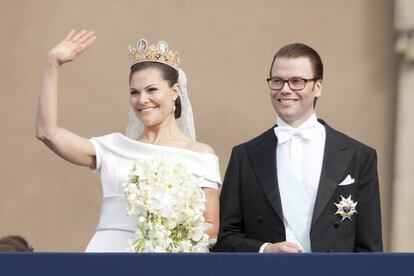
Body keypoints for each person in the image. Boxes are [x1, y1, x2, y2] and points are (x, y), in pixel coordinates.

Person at [36, 30, 221, 252]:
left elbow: (210, 232)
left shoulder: (201, 155)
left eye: (152, 89)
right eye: (134, 92)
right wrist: (52, 64)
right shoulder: (113, 148)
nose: (142, 100)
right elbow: (47, 133)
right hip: (106, 255)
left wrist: (162, 234)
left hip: (165, 260)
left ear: (174, 92)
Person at [214, 43, 382, 253]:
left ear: (318, 86)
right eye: (277, 81)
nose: (285, 89)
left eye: (297, 81)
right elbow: (225, 239)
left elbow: (369, 249)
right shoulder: (244, 156)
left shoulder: (358, 156)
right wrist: (266, 250)